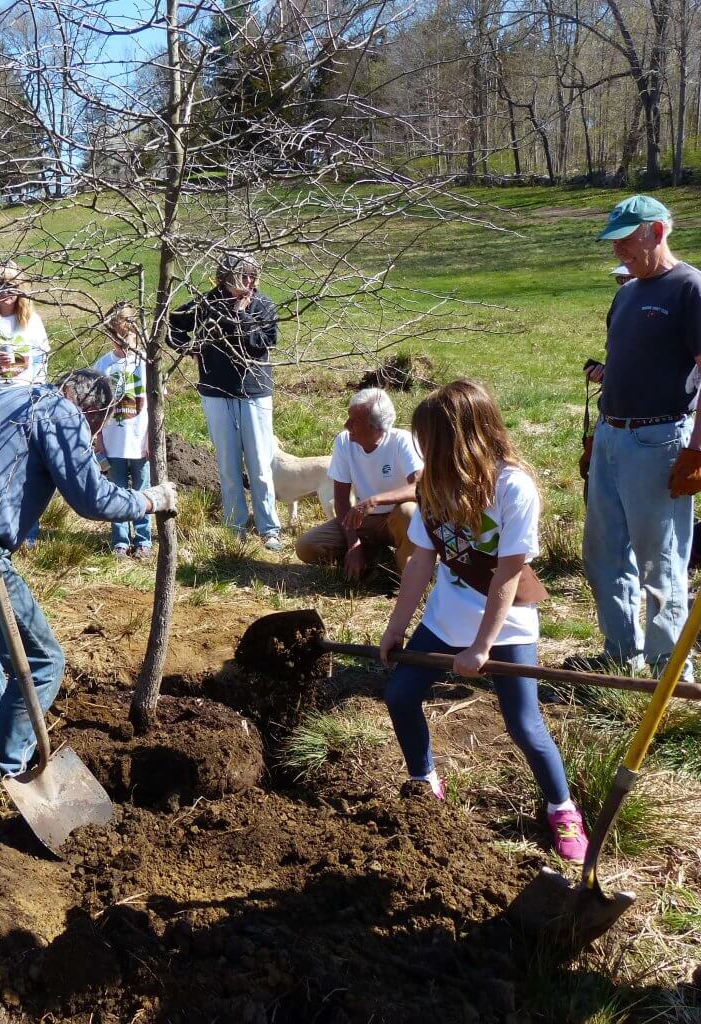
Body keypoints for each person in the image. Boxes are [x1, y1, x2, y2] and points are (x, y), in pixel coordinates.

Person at [379, 379, 588, 863]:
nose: (423, 452)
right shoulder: (431, 485)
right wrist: (396, 627)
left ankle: (562, 807)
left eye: (429, 441)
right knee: (400, 695)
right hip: (447, 615)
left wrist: (481, 647)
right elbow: (420, 563)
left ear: (459, 437)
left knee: (524, 724)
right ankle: (424, 780)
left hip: (506, 620)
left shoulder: (512, 486)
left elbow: (508, 577)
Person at [0, 369, 177, 792]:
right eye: (97, 425)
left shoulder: (13, 397)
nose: (93, 436)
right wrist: (151, 499)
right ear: (93, 410)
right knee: (44, 661)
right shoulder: (60, 414)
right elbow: (92, 499)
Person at [575, 196, 701, 678]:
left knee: (661, 558)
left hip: (660, 440)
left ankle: (670, 671)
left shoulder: (689, 288)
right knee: (604, 552)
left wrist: (696, 450)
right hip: (611, 437)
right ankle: (621, 657)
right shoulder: (626, 293)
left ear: (657, 231)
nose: (618, 252)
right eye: (615, 243)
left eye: (627, 240)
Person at [169, 251, 282, 551]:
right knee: (228, 466)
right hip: (216, 392)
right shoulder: (207, 304)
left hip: (255, 391)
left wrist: (241, 314)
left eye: (254, 275)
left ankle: (269, 528)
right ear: (226, 276)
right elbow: (174, 324)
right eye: (244, 275)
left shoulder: (262, 304)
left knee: (259, 465)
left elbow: (263, 341)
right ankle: (235, 527)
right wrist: (190, 347)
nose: (251, 281)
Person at [295, 388, 422, 580]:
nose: (346, 425)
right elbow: (341, 501)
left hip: (397, 519)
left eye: (355, 421)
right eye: (348, 417)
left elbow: (420, 489)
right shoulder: (344, 442)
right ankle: (374, 560)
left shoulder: (403, 441)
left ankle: (405, 575)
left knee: (409, 513)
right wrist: (353, 544)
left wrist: (375, 500)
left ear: (377, 427)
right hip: (364, 520)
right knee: (306, 547)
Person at [93, 303, 151, 558]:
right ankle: (119, 539)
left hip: (140, 440)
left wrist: (151, 439)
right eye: (116, 335)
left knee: (141, 488)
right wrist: (98, 442)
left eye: (127, 335)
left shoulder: (146, 364)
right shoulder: (102, 366)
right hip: (113, 441)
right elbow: (93, 409)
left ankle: (144, 539)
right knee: (115, 490)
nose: (122, 341)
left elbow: (155, 404)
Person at [0, 261, 50, 398]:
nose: (5, 291)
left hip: (24, 399)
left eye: (11, 285)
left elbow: (40, 360)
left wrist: (37, 390)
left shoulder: (32, 320)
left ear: (20, 288)